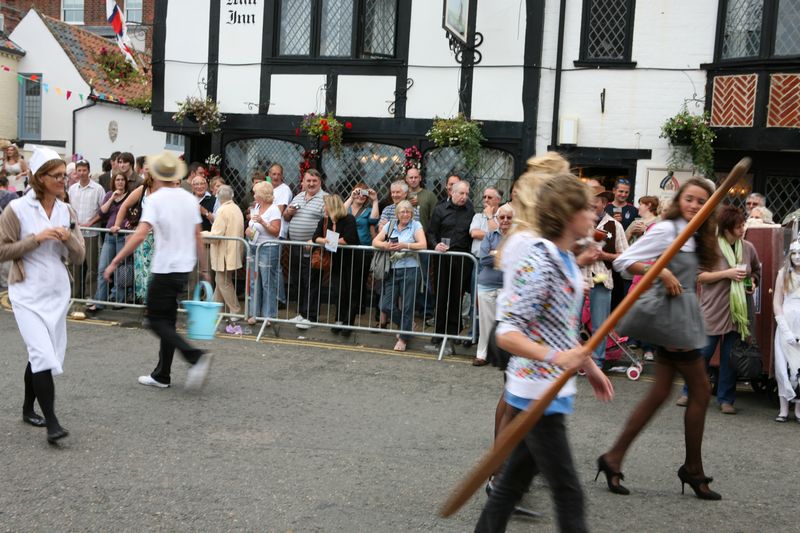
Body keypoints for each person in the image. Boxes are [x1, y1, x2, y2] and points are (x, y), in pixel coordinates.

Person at [475, 172, 613, 533]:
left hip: (547, 387)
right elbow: (507, 332)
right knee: (569, 494)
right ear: (568, 215)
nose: (594, 214)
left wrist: (586, 364)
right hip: (537, 391)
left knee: (509, 486)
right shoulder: (541, 261)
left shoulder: (565, 258)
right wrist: (558, 358)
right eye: (586, 208)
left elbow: (561, 327)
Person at [599, 178, 722, 500]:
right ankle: (692, 469)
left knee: (660, 392)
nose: (694, 205)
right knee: (701, 390)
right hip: (671, 319)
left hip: (682, 315)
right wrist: (660, 271)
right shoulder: (669, 230)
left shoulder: (698, 233)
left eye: (701, 201)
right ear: (680, 199)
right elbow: (624, 262)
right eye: (690, 199)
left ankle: (613, 458)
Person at [104, 151, 213, 390]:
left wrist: (115, 261)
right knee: (168, 322)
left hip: (165, 267)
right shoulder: (187, 199)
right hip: (184, 268)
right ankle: (162, 374)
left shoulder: (155, 199)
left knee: (154, 320)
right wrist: (204, 269)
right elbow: (197, 235)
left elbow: (141, 234)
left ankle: (195, 357)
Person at [0, 148, 85, 443]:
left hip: (57, 293)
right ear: (40, 178)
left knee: (40, 354)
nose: (64, 180)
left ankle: (27, 407)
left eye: (65, 174)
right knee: (42, 355)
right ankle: (52, 424)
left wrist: (69, 237)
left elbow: (79, 256)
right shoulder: (17, 210)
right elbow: (2, 251)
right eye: (58, 175)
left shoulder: (66, 211)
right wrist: (35, 240)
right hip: (26, 293)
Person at [675, 205, 760, 414]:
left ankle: (726, 399)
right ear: (726, 228)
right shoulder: (710, 247)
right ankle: (689, 391)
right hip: (713, 308)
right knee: (702, 354)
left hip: (738, 312)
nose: (742, 229)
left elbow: (756, 270)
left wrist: (753, 282)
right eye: (738, 226)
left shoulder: (748, 247)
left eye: (743, 225)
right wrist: (727, 274)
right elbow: (700, 276)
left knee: (731, 357)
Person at [427, 181, 475, 353]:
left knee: (457, 295)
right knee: (441, 295)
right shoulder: (440, 210)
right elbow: (431, 232)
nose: (464, 197)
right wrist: (435, 245)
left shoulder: (470, 211)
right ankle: (438, 333)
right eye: (461, 193)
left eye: (467, 194)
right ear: (452, 193)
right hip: (443, 258)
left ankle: (453, 333)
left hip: (461, 258)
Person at [373, 200, 427, 351]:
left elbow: (423, 244)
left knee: (408, 305)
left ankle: (403, 339)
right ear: (397, 214)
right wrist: (386, 245)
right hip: (392, 268)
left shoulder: (416, 225)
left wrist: (405, 245)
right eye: (402, 212)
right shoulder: (390, 224)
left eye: (408, 212)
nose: (405, 214)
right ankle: (407, 326)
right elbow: (375, 241)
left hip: (410, 268)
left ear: (412, 214)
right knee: (386, 305)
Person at [585, 187, 627, 368]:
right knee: (569, 323)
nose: (592, 203)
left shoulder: (614, 226)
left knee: (599, 324)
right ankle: (568, 363)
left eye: (596, 200)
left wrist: (606, 256)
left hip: (601, 276)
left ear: (604, 203)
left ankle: (597, 362)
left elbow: (625, 255)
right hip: (578, 276)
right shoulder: (577, 221)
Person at [312, 194, 361, 335]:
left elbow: (350, 238)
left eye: (325, 205)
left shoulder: (348, 219)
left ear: (332, 206)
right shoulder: (324, 221)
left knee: (351, 291)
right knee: (338, 290)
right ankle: (338, 319)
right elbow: (315, 237)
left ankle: (348, 323)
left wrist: (330, 241)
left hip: (352, 260)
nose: (324, 208)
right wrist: (325, 241)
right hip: (336, 260)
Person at [283, 169, 326, 328]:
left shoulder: (325, 198)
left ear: (319, 182)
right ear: (303, 182)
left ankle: (311, 316)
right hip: (296, 247)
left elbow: (328, 224)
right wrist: (288, 212)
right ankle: (301, 314)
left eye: (314, 181)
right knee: (298, 281)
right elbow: (286, 217)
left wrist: (314, 239)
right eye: (308, 181)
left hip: (313, 248)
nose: (311, 184)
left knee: (311, 282)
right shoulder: (298, 196)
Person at [473, 203, 513, 366]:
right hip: (487, 285)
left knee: (507, 324)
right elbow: (484, 258)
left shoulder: (517, 237)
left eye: (508, 218)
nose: (504, 220)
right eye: (501, 217)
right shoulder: (490, 235)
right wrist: (504, 255)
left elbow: (518, 259)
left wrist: (495, 253)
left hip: (508, 286)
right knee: (486, 323)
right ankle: (482, 354)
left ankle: (503, 356)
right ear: (496, 218)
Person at [88, 174, 132, 312]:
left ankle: (119, 300)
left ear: (126, 182)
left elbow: (134, 213)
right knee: (103, 268)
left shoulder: (131, 195)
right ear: (114, 182)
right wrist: (112, 198)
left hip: (123, 235)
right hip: (109, 236)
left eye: (122, 179)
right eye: (117, 180)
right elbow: (102, 212)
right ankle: (100, 302)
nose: (120, 182)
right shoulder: (109, 195)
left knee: (120, 269)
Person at [113, 168, 157, 304]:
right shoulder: (143, 189)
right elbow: (124, 206)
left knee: (155, 271)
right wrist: (116, 224)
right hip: (143, 237)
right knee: (143, 271)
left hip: (160, 237)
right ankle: (146, 302)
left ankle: (154, 302)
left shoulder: (168, 191)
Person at [203, 185, 244, 320]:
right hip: (232, 251)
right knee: (221, 281)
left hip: (225, 253)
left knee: (224, 283)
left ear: (218, 197)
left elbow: (216, 235)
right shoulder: (235, 208)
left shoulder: (222, 211)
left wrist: (200, 235)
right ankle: (214, 309)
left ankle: (235, 311)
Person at [67, 159, 105, 300]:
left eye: (84, 170)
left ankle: (90, 296)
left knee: (91, 267)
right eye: (79, 170)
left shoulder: (98, 189)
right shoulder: (72, 189)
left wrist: (90, 223)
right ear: (76, 172)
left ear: (89, 171)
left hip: (92, 233)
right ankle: (75, 295)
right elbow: (69, 209)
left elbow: (103, 210)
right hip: (75, 234)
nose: (82, 173)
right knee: (75, 265)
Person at [246, 182, 282, 326]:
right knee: (254, 282)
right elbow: (252, 227)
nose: (254, 195)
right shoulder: (257, 207)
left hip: (268, 248)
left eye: (256, 193)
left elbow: (275, 231)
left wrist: (263, 222)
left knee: (267, 282)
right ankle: (254, 313)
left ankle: (269, 315)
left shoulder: (274, 209)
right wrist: (248, 232)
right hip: (254, 246)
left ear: (262, 195)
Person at [773, 240, 800, 423]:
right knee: (782, 367)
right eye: (794, 253)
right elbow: (777, 302)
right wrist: (784, 328)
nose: (797, 257)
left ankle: (798, 409)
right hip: (786, 322)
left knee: (798, 369)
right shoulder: (783, 274)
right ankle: (783, 409)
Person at [343, 182, 380, 317]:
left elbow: (374, 220)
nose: (361, 196)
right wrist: (351, 197)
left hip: (363, 249)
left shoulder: (368, 211)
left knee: (360, 279)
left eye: (364, 193)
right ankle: (346, 306)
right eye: (358, 192)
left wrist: (374, 200)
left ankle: (359, 307)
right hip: (346, 248)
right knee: (346, 280)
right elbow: (339, 213)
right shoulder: (347, 208)